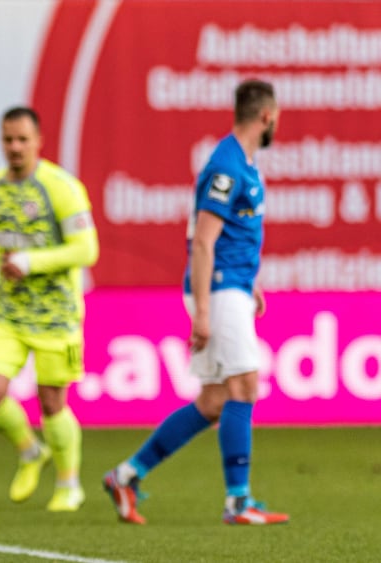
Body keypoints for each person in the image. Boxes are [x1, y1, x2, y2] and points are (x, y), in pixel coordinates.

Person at [103, 79, 289, 526]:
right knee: (245, 386)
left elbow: (229, 237)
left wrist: (250, 283)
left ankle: (126, 476)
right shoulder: (227, 166)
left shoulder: (242, 163)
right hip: (218, 291)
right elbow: (202, 241)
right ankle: (238, 502)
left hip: (232, 287)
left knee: (212, 401)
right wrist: (205, 311)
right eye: (276, 116)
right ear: (266, 116)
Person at [0, 107, 99, 512]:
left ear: (39, 141)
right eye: (8, 140)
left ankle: (68, 483)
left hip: (57, 314)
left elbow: (87, 250)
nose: (15, 147)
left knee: (51, 401)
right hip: (7, 312)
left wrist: (30, 262)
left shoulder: (62, 187)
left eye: (23, 140)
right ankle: (29, 452)